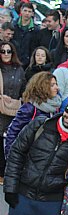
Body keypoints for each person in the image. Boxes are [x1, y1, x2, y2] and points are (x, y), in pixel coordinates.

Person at [4, 72, 62, 157]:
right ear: (42, 87)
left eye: (56, 84)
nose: (56, 88)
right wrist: (10, 156)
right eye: (52, 85)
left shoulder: (55, 106)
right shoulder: (30, 108)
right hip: (28, 154)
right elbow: (13, 131)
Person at [0, 41, 24, 177]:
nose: (6, 54)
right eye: (3, 51)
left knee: (12, 139)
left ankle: (8, 170)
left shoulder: (19, 69)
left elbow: (23, 88)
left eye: (9, 51)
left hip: (14, 109)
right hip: (0, 108)